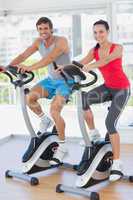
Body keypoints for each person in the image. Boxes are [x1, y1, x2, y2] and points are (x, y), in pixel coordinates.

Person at [9, 17, 74, 165]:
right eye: (40, 29)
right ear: (38, 30)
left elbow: (49, 58)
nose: (43, 31)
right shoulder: (38, 42)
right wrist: (8, 66)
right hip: (51, 80)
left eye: (45, 28)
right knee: (30, 98)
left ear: (51, 29)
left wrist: (29, 67)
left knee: (55, 111)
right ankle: (44, 119)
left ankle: (63, 147)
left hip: (66, 81)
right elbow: (23, 55)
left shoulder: (61, 41)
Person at [80, 20, 130, 182]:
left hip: (122, 90)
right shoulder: (93, 50)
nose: (98, 35)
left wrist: (91, 66)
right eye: (95, 32)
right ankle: (94, 134)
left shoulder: (118, 48)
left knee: (110, 124)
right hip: (107, 87)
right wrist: (65, 68)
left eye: (101, 32)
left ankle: (117, 163)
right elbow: (81, 63)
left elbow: (105, 61)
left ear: (107, 32)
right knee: (84, 99)